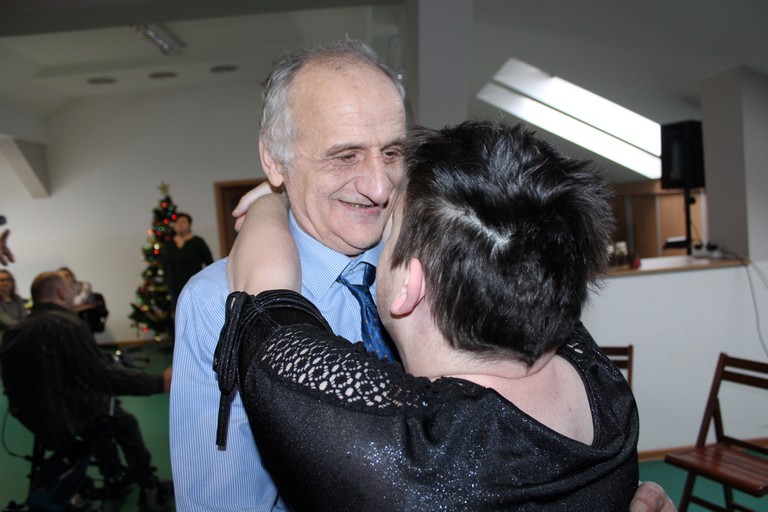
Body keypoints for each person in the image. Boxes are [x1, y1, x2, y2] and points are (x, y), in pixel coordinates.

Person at [169, 40, 676, 512]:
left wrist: (269, 206)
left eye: (393, 153)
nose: (378, 187)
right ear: (273, 158)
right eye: (344, 156)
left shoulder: (455, 256)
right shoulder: (216, 303)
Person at [216, 121, 639, 510]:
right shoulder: (604, 388)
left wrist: (271, 202)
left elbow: (265, 299)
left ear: (409, 286)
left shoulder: (411, 454)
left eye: (389, 235)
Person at [0, 272, 173, 509]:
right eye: (72, 289)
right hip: (66, 415)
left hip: (31, 415)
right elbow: (101, 376)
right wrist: (158, 383)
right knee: (121, 420)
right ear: (61, 293)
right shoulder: (66, 324)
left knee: (100, 414)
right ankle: (147, 482)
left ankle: (114, 475)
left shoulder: (16, 331)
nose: (75, 294)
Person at [162, 212, 213, 307]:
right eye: (177, 222)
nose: (180, 225)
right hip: (173, 285)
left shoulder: (198, 242)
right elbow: (164, 264)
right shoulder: (168, 244)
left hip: (193, 284)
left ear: (189, 224)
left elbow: (209, 263)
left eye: (183, 222)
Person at [0, 269, 26, 340]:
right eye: (2, 280)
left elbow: (24, 317)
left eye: (8, 280)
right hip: (3, 338)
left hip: (20, 335)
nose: (5, 283)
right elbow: (7, 322)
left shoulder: (18, 299)